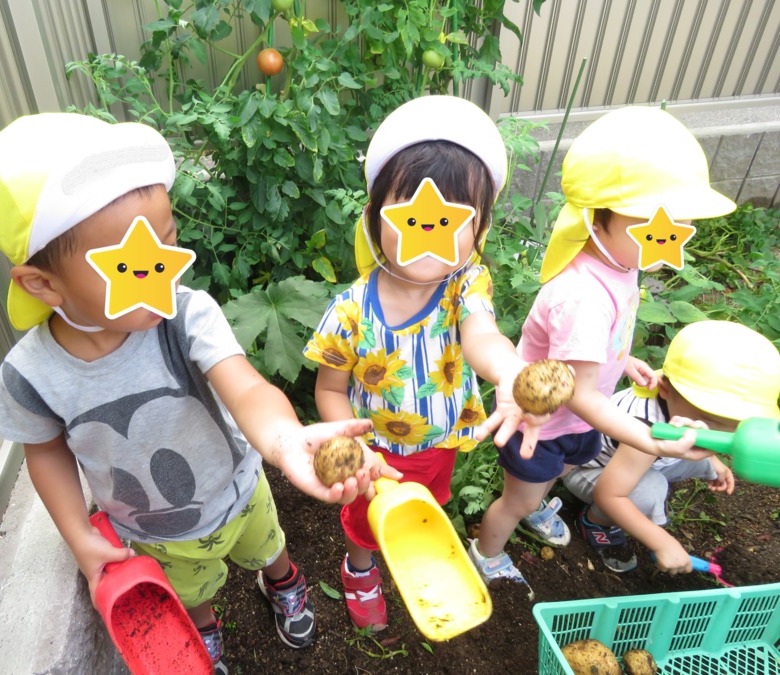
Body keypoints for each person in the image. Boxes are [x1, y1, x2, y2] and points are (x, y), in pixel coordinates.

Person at [0, 112, 390, 673]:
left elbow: (244, 385)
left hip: (239, 490)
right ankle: (204, 628)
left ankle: (282, 581)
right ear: (44, 284)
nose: (165, 275)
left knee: (268, 545)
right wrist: (76, 533)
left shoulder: (185, 315)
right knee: (192, 592)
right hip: (154, 532)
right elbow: (43, 449)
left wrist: (285, 438)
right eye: (132, 266)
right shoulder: (32, 375)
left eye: (167, 248)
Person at [468, 106, 737, 595]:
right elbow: (579, 394)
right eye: (661, 223)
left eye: (681, 222)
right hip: (543, 426)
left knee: (558, 474)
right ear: (598, 219)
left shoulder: (620, 263)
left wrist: (621, 360)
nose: (673, 234)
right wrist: (650, 440)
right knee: (517, 502)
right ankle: (486, 554)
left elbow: (589, 360)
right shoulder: (583, 296)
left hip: (582, 421)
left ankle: (542, 497)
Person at [304, 95, 545, 632]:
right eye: (413, 215)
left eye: (453, 218)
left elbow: (482, 335)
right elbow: (329, 390)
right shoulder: (349, 310)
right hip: (376, 452)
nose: (432, 231)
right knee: (365, 523)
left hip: (437, 444)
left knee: (429, 502)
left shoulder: (466, 286)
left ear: (479, 229)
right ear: (374, 219)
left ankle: (420, 547)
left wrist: (509, 375)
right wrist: (353, 447)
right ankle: (359, 568)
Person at [564, 320, 780, 574]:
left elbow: (705, 438)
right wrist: (662, 542)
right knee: (650, 492)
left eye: (735, 426)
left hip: (636, 461)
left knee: (698, 458)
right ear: (665, 389)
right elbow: (609, 495)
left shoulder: (681, 407)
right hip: (590, 471)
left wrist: (713, 460)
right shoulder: (647, 428)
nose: (720, 435)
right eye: (711, 422)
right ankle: (595, 523)